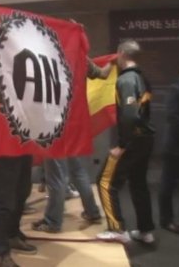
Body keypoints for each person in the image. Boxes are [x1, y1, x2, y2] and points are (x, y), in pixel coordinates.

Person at [32, 58, 112, 233]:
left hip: (50, 124)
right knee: (76, 170)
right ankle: (92, 211)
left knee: (56, 177)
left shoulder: (42, 52)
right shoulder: (80, 55)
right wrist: (113, 61)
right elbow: (103, 74)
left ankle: (52, 221)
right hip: (71, 122)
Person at [96, 39, 155, 244]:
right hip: (145, 139)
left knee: (105, 182)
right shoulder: (142, 77)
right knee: (138, 183)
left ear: (121, 53)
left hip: (133, 141)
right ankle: (146, 231)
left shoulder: (127, 80)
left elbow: (130, 116)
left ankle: (117, 228)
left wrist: (121, 145)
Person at [158, 56, 179, 234]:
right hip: (175, 146)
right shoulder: (175, 89)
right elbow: (172, 116)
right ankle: (166, 220)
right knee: (168, 185)